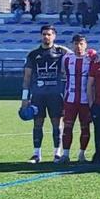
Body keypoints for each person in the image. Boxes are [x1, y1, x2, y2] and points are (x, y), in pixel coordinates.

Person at [21, 25, 71, 164]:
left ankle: (57, 154)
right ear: (41, 36)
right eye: (44, 34)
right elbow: (27, 78)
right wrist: (25, 98)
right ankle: (36, 155)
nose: (46, 37)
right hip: (38, 95)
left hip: (56, 94)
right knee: (37, 123)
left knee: (57, 124)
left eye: (49, 34)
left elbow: (77, 56)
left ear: (54, 36)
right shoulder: (33, 54)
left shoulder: (61, 52)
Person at [57, 35, 93, 164]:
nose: (79, 46)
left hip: (85, 100)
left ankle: (82, 154)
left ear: (86, 44)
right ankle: (65, 154)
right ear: (73, 44)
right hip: (70, 99)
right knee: (68, 127)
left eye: (81, 43)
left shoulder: (91, 58)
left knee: (85, 127)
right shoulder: (66, 59)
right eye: (76, 43)